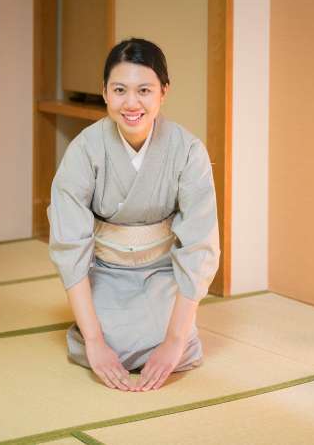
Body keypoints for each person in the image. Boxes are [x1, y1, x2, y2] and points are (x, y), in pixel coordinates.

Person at [47, 38, 220, 392]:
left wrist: (173, 341)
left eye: (144, 90)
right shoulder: (84, 150)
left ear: (163, 92)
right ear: (105, 93)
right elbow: (69, 245)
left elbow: (200, 245)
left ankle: (170, 340)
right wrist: (95, 341)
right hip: (105, 271)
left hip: (163, 270)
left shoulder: (188, 152)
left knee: (179, 344)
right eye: (120, 90)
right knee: (111, 342)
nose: (131, 103)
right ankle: (94, 337)